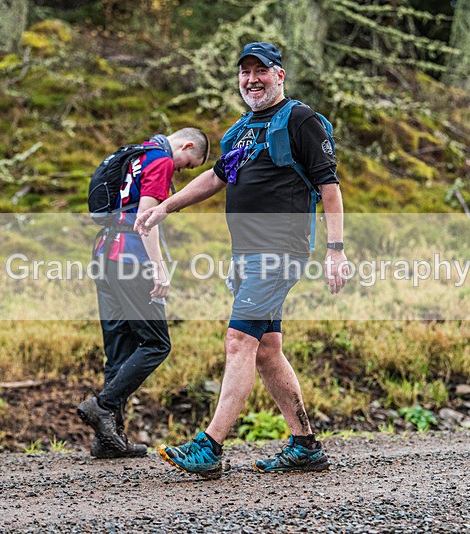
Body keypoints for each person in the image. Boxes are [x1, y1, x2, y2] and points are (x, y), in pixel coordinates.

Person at [134, 42, 349, 478]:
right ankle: (305, 445)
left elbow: (329, 186)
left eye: (261, 71)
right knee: (268, 350)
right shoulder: (241, 129)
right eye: (245, 72)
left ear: (280, 75)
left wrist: (335, 250)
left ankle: (209, 446)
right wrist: (164, 208)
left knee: (238, 341)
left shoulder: (301, 120)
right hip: (250, 255)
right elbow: (215, 178)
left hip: (281, 250)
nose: (252, 79)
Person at [77, 128, 210, 459]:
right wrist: (158, 268)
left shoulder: (136, 154)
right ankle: (102, 406)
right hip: (131, 255)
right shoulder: (161, 159)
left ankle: (107, 440)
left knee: (119, 347)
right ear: (187, 145)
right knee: (156, 343)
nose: (180, 170)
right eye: (188, 164)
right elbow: (146, 218)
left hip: (104, 254)